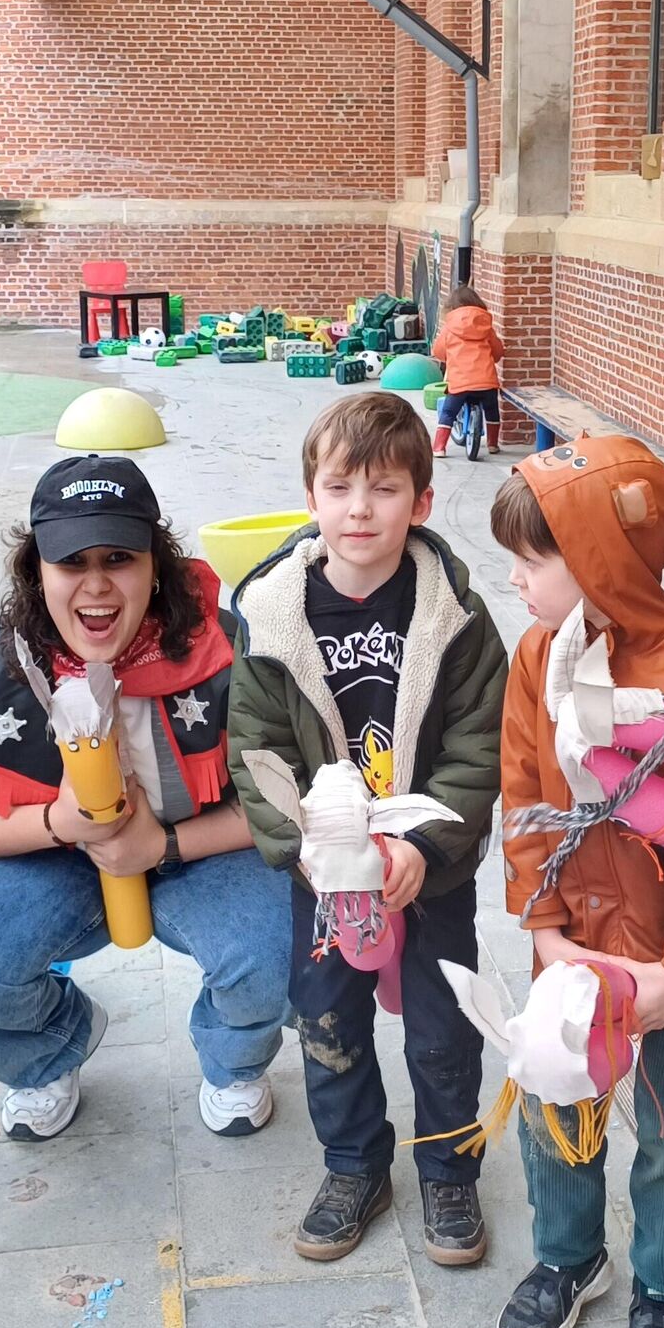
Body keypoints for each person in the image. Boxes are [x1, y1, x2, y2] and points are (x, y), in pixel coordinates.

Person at [0, 455, 292, 1141]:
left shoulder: (234, 651)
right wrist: (60, 821)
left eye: (119, 557)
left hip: (203, 846)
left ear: (156, 567)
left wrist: (160, 845)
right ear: (35, 571)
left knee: (290, 942)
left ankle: (234, 1060)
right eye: (71, 563)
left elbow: (288, 803)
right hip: (54, 857)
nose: (97, 585)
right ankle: (49, 1050)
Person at [488, 436, 664, 1328]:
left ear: (599, 561)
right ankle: (570, 1257)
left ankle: (660, 1283)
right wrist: (547, 932)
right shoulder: (537, 659)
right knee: (553, 1099)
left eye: (536, 560)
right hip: (576, 941)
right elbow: (525, 797)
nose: (521, 582)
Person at [226, 392, 509, 1266]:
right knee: (327, 1020)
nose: (359, 509)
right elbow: (256, 752)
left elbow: (477, 744)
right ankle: (353, 1163)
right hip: (323, 872)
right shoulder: (275, 616)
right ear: (311, 495)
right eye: (339, 485)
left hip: (430, 868)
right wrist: (312, 850)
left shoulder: (453, 617)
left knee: (442, 1025)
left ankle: (447, 1170)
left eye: (384, 488)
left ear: (421, 503)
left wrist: (424, 847)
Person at [430, 283, 506, 456]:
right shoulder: (486, 328)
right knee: (492, 411)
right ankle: (493, 444)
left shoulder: (449, 329)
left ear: (452, 308)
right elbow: (498, 351)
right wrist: (494, 358)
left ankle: (439, 447)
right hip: (486, 383)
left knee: (449, 413)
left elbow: (438, 351)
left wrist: (446, 358)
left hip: (460, 384)